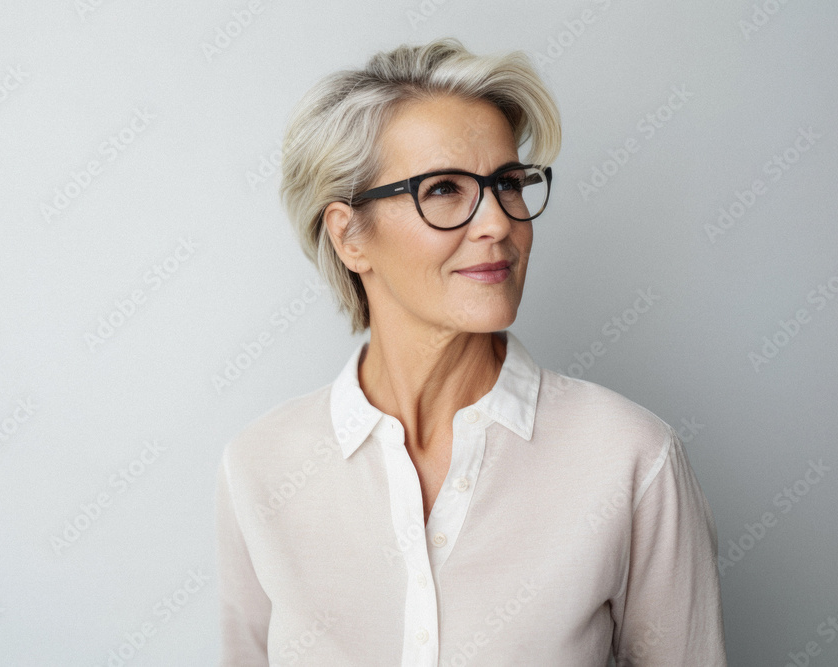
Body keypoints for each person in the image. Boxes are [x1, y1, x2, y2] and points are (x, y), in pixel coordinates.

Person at [214, 37, 726, 666]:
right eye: (445, 190)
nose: (499, 223)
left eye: (508, 183)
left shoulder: (630, 461)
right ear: (349, 236)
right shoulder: (260, 466)